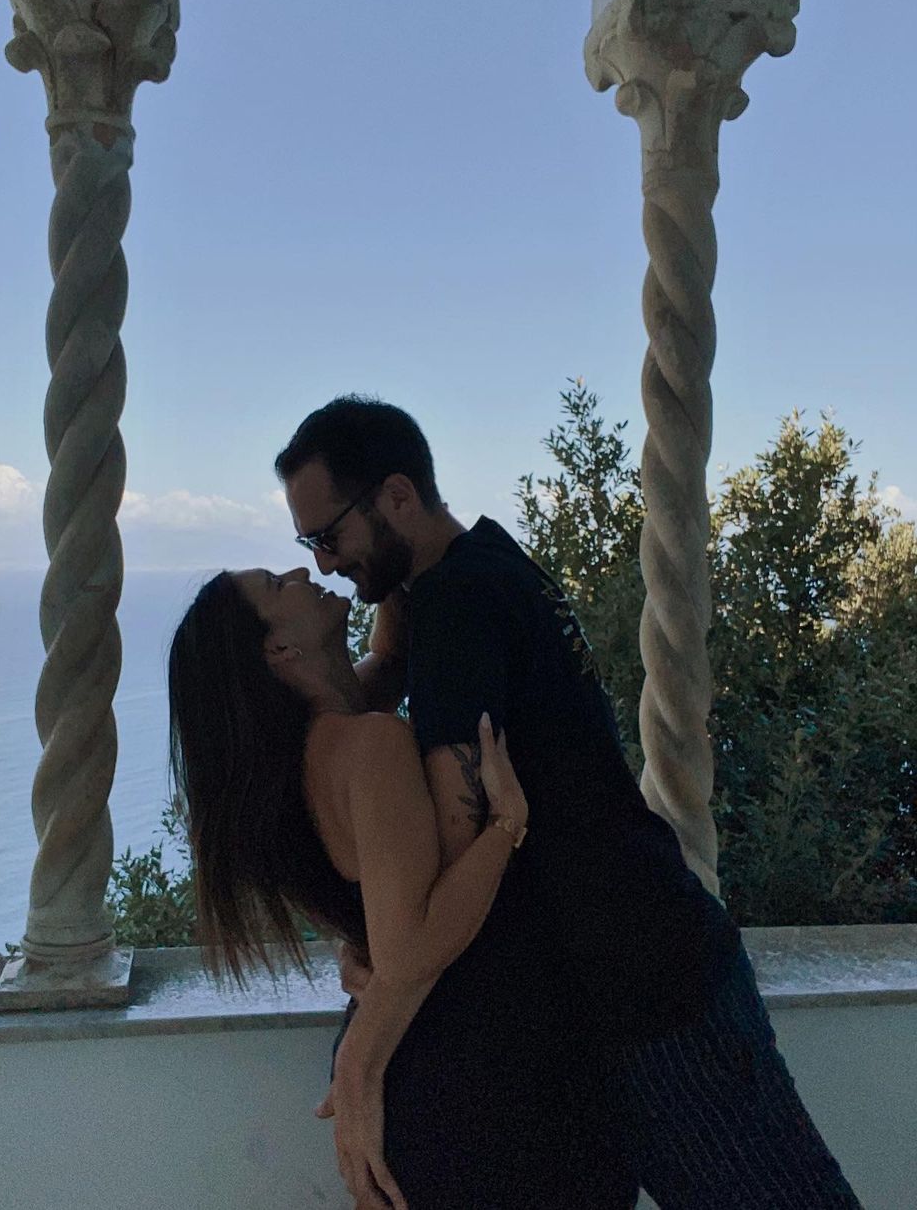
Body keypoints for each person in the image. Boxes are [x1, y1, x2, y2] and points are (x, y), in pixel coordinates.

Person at [272, 394, 862, 1209]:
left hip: (647, 992)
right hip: (626, 975)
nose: (324, 562)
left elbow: (447, 856)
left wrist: (361, 1054)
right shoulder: (477, 564)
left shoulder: (458, 610)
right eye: (307, 545)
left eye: (329, 537)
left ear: (397, 496)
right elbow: (380, 678)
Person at [167, 568, 535, 1209]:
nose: (301, 571)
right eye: (278, 585)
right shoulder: (370, 745)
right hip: (453, 1077)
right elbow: (408, 950)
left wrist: (388, 574)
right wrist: (507, 825)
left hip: (414, 1065)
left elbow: (385, 661)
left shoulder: (297, 758)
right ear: (280, 650)